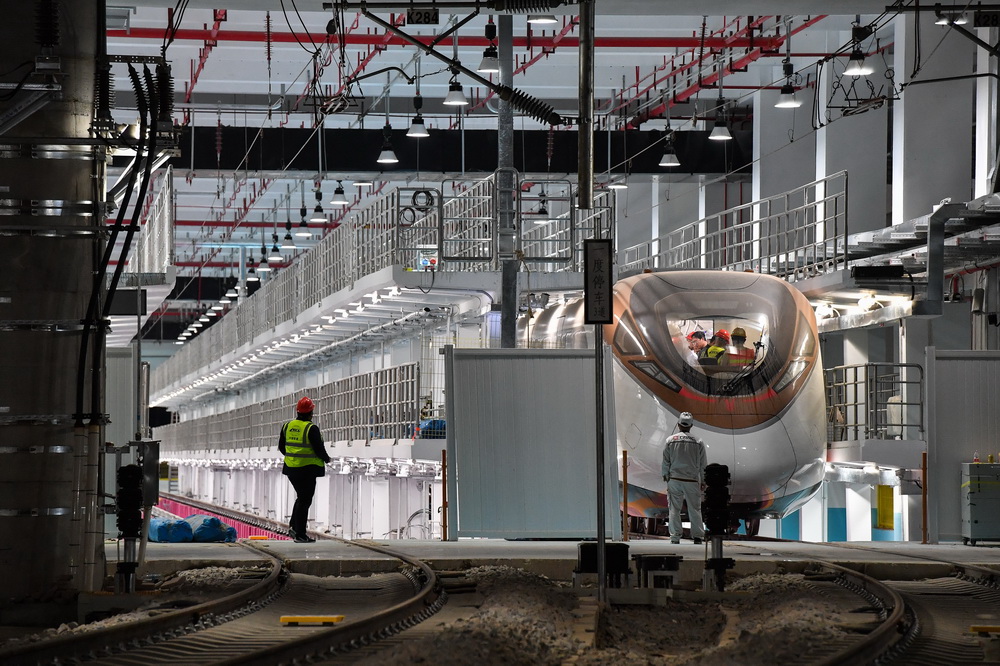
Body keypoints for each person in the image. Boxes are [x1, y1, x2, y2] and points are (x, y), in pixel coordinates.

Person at [278, 396, 331, 543]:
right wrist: (327, 459)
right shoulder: (311, 428)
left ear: (298, 411)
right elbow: (319, 449)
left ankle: (294, 526)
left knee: (301, 498)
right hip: (307, 470)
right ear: (311, 412)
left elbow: (282, 447)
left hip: (291, 469)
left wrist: (293, 457)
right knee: (305, 500)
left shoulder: (287, 426)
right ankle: (300, 534)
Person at [661, 411, 707, 544]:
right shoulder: (698, 441)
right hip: (692, 481)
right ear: (691, 426)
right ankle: (698, 536)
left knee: (674, 509)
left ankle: (675, 537)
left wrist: (665, 474)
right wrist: (703, 480)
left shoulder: (670, 440)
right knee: (695, 509)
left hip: (674, 480)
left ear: (679, 425)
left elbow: (666, 460)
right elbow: (703, 464)